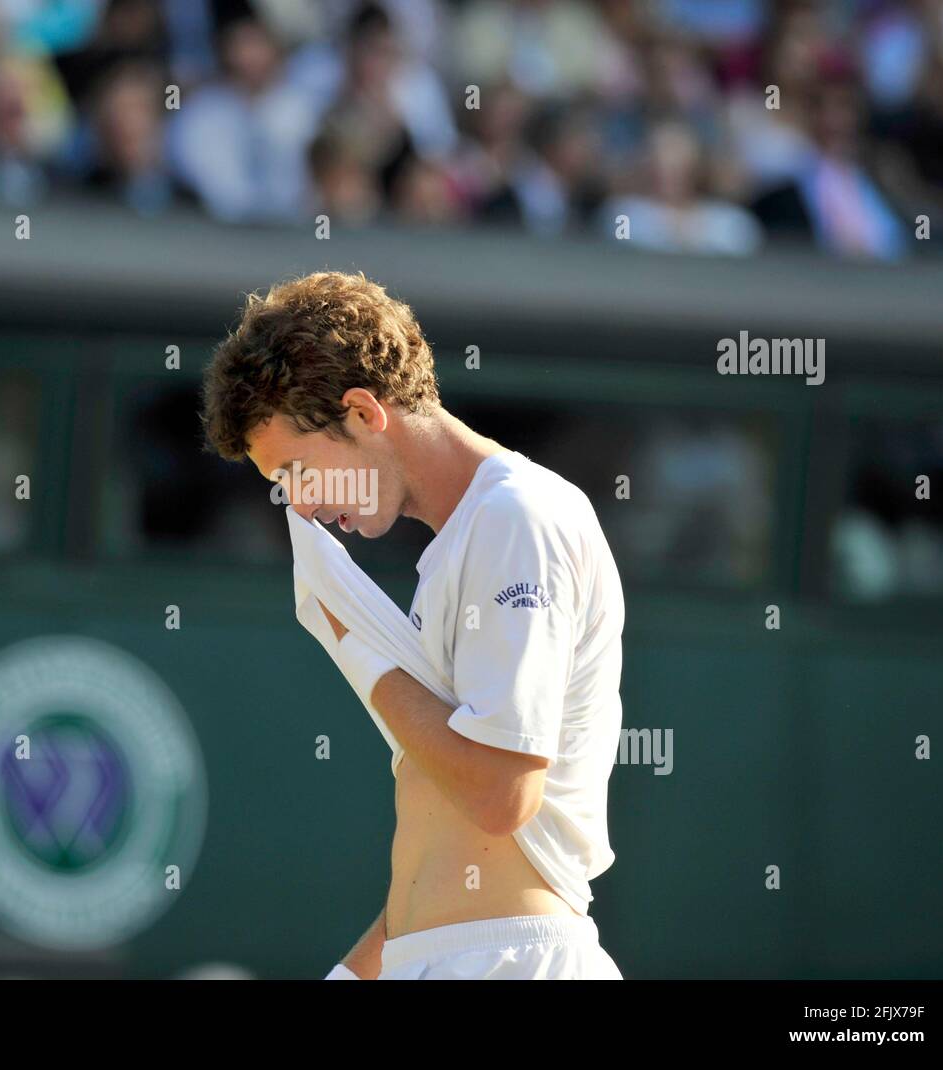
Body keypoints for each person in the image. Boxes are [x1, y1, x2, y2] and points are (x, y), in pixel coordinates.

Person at [201, 271, 625, 980]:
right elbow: (443, 846)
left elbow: (500, 795)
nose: (301, 508)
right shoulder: (468, 541)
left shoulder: (516, 518)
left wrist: (353, 644)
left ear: (365, 413)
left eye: (301, 472)